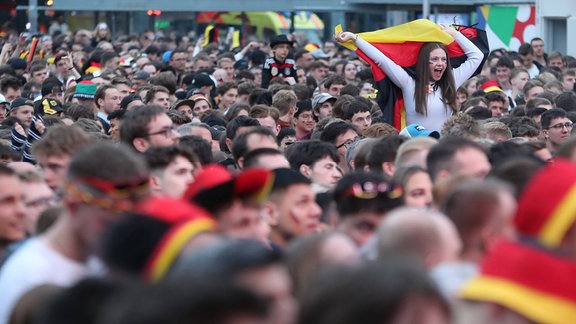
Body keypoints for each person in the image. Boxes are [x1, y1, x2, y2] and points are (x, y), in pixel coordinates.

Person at [0, 143, 150, 324]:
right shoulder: (30, 275)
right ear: (73, 204)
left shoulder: (112, 263)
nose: (118, 234)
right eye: (107, 222)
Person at [334, 23, 483, 131]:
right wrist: (355, 38)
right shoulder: (408, 82)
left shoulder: (452, 79)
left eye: (444, 60)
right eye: (435, 59)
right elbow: (382, 59)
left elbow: (477, 56)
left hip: (442, 150)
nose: (441, 64)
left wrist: (455, 34)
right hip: (413, 148)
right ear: (424, 62)